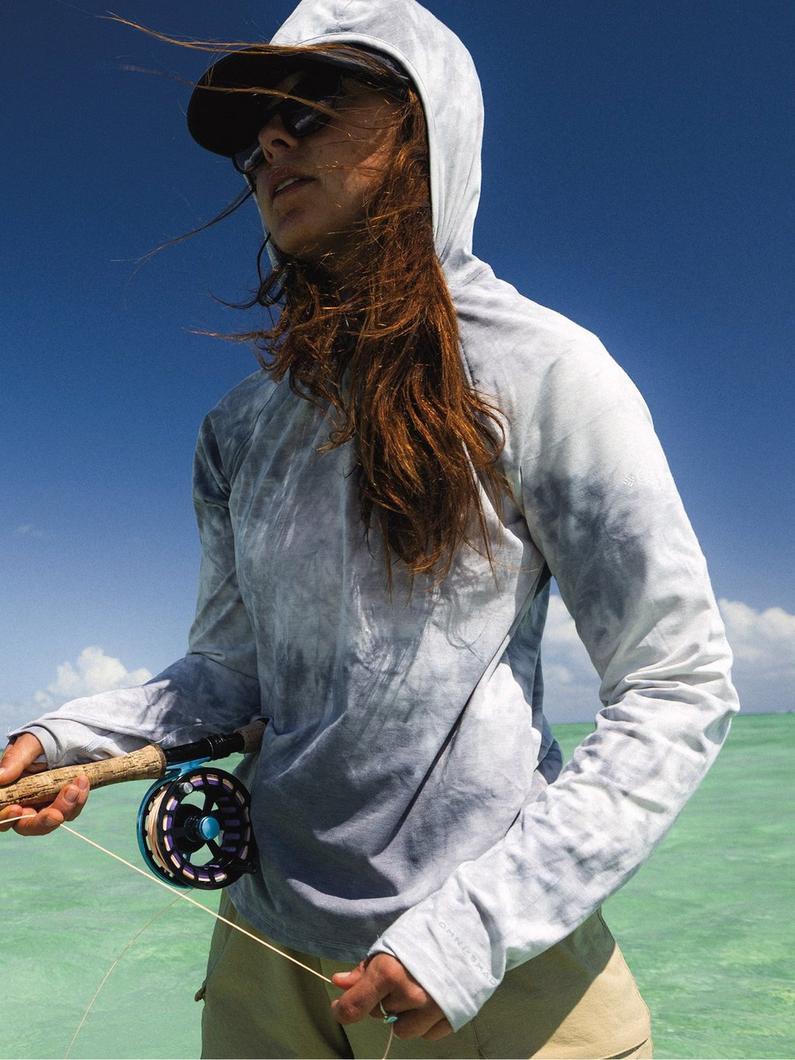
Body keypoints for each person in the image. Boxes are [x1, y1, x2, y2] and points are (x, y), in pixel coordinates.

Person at [0, 1, 740, 1057]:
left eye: (311, 108)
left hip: (502, 975)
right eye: (259, 135)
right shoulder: (238, 429)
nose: (270, 146)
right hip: (268, 960)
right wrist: (63, 738)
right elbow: (229, 672)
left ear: (426, 126)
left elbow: (677, 683)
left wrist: (474, 932)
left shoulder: (551, 373)